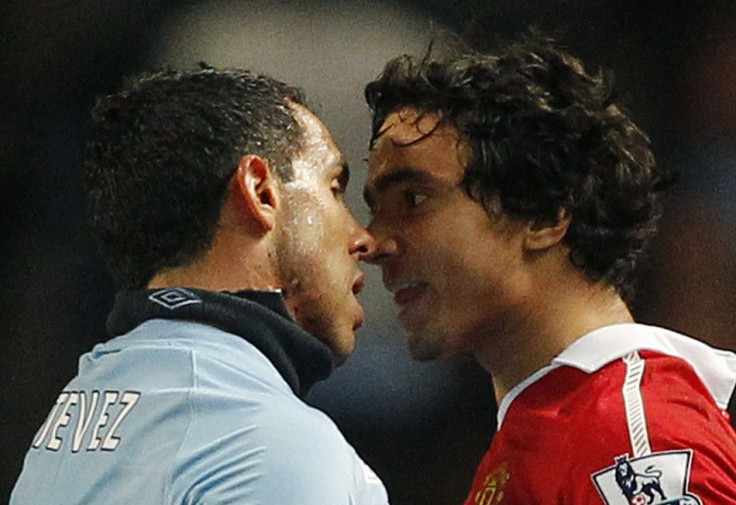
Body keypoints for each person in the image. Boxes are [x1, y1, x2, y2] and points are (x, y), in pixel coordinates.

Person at [362, 34, 736, 504]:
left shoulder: (629, 442)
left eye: (413, 200)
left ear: (544, 215)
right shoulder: (549, 430)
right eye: (375, 208)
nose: (373, 243)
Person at [11, 66, 388, 504]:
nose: (362, 238)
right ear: (261, 192)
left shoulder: (70, 421)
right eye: (334, 188)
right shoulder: (269, 443)